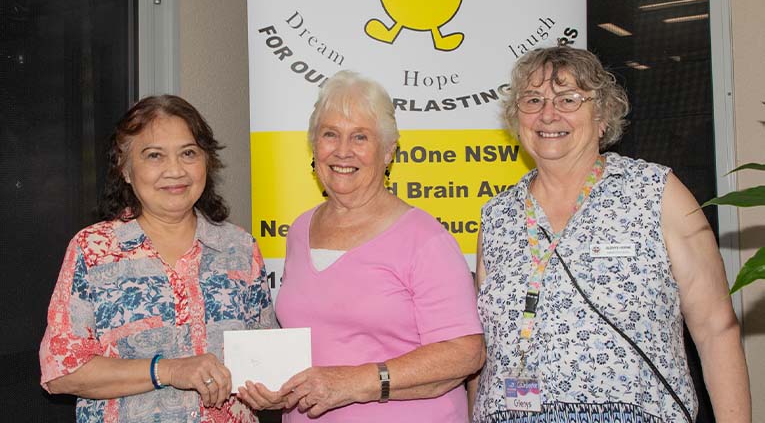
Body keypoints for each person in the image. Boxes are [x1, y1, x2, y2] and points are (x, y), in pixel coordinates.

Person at [468, 46, 751, 422]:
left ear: (601, 116)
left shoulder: (656, 193)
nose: (548, 114)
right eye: (533, 100)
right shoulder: (497, 216)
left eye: (568, 99)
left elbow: (717, 329)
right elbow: (485, 351)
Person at [237, 70, 485, 421]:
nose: (342, 151)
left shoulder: (425, 239)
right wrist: (278, 388)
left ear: (388, 152)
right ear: (314, 145)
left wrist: (356, 382)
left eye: (360, 137)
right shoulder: (300, 230)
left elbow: (466, 352)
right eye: (330, 134)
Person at [39, 95, 276, 422]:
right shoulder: (93, 250)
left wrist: (274, 389)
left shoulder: (240, 247)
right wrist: (167, 370)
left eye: (188, 153)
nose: (175, 170)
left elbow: (267, 362)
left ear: (207, 162)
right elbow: (61, 371)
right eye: (154, 155)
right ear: (125, 168)